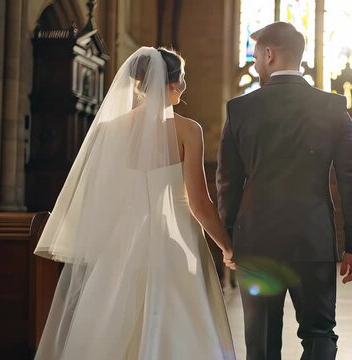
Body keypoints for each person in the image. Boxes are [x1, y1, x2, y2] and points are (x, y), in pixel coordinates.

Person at [33, 46, 236, 359]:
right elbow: (199, 203)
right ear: (169, 83)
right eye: (181, 77)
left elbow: (101, 195)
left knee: (110, 323)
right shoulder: (187, 131)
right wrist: (227, 246)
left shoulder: (109, 129)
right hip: (174, 243)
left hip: (121, 243)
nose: (184, 85)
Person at [217, 22, 352, 360]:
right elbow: (350, 178)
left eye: (256, 56)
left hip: (256, 243)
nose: (255, 64)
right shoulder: (333, 107)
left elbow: (228, 182)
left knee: (262, 343)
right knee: (319, 334)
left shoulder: (239, 109)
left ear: (269, 54)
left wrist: (229, 240)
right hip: (312, 240)